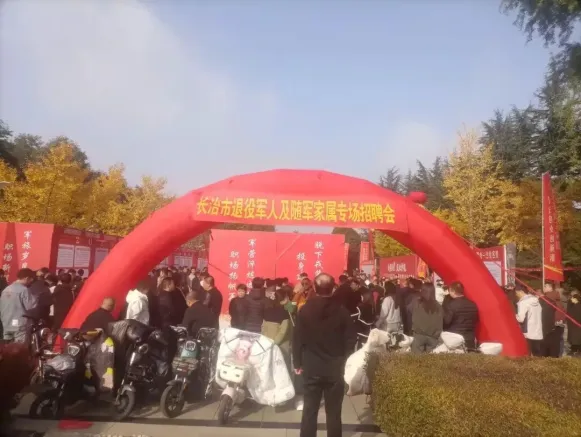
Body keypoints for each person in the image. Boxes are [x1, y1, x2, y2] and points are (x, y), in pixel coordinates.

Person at [293, 273, 356, 437]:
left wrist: (297, 362)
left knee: (309, 410)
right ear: (333, 287)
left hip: (311, 366)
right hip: (335, 368)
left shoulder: (305, 310)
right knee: (334, 412)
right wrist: (345, 359)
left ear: (314, 287)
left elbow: (297, 338)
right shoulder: (342, 311)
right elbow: (351, 339)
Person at [0, 268, 37, 343]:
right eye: (31, 279)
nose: (31, 282)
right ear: (27, 278)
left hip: (6, 323)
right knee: (20, 347)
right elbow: (30, 306)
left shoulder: (6, 289)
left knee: (7, 346)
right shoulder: (24, 290)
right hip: (19, 324)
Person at [442, 281, 479, 350]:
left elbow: (446, 322)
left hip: (455, 338)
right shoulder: (472, 304)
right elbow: (476, 320)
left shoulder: (451, 305)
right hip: (470, 338)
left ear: (453, 291)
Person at [262, 288, 292, 366]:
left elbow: (263, 327)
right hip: (281, 345)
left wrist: (266, 341)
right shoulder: (285, 312)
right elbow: (283, 331)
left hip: (267, 343)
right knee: (282, 366)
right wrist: (275, 343)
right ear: (284, 299)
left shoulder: (267, 310)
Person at [410, 283, 443, 354]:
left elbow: (410, 311)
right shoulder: (438, 306)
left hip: (419, 334)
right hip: (433, 336)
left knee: (416, 358)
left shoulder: (417, 303)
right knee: (431, 358)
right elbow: (440, 320)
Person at [515, 286, 543, 356]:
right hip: (537, 330)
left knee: (527, 353)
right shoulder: (537, 301)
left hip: (527, 331)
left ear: (521, 292)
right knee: (536, 352)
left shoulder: (523, 302)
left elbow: (521, 319)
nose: (516, 295)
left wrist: (514, 315)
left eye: (516, 293)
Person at [539, 283, 563, 358]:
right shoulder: (556, 297)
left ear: (550, 288)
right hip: (556, 323)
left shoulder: (548, 297)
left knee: (549, 342)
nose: (544, 288)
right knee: (556, 342)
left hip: (550, 323)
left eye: (545, 286)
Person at [566, 291, 582, 356]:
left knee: (576, 339)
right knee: (575, 338)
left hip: (576, 325)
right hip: (574, 324)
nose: (571, 298)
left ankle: (576, 350)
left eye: (572, 297)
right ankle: (575, 350)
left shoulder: (577, 306)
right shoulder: (575, 305)